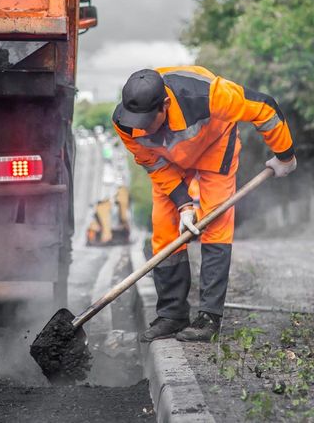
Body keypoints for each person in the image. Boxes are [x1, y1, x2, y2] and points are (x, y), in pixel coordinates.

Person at [113, 66, 296, 342]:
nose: (141, 126)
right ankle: (172, 315)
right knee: (164, 231)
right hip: (170, 164)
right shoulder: (125, 122)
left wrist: (284, 154)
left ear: (165, 104)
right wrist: (184, 204)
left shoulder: (207, 95)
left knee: (216, 226)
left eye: (148, 120)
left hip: (215, 149)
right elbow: (153, 164)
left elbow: (265, 108)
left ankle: (209, 317)